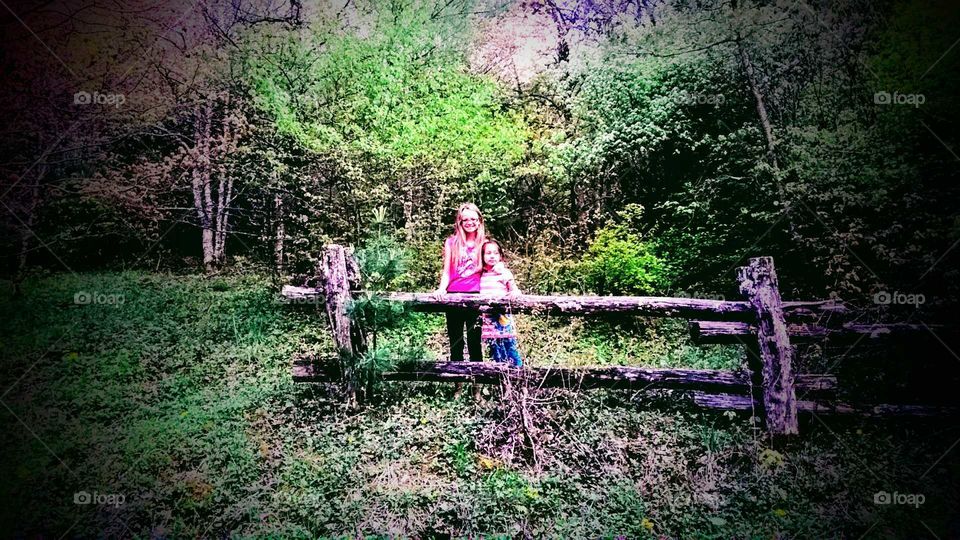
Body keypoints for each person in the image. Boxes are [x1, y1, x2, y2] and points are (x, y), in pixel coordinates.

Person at [435, 203, 485, 362]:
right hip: (454, 295)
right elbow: (447, 270)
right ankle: (457, 384)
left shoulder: (484, 243)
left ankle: (477, 384)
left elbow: (495, 269)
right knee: (455, 340)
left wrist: (510, 287)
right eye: (465, 220)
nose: (470, 222)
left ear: (479, 221)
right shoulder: (451, 242)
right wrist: (441, 289)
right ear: (460, 222)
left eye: (473, 219)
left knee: (474, 341)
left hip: (476, 296)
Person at [479, 239, 523, 367]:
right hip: (487, 321)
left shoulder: (504, 273)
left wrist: (515, 293)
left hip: (503, 319)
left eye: (495, 253)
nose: (492, 256)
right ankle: (502, 380)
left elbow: (514, 289)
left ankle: (518, 376)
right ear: (482, 256)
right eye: (488, 253)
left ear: (500, 256)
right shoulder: (480, 274)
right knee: (495, 352)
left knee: (510, 348)